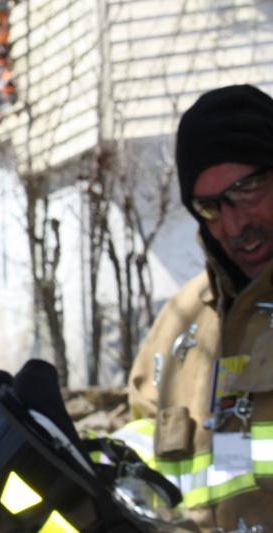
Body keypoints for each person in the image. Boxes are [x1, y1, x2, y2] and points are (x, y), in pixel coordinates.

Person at [125, 84, 273, 531]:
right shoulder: (181, 322)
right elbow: (144, 442)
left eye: (246, 190)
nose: (234, 224)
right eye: (209, 207)